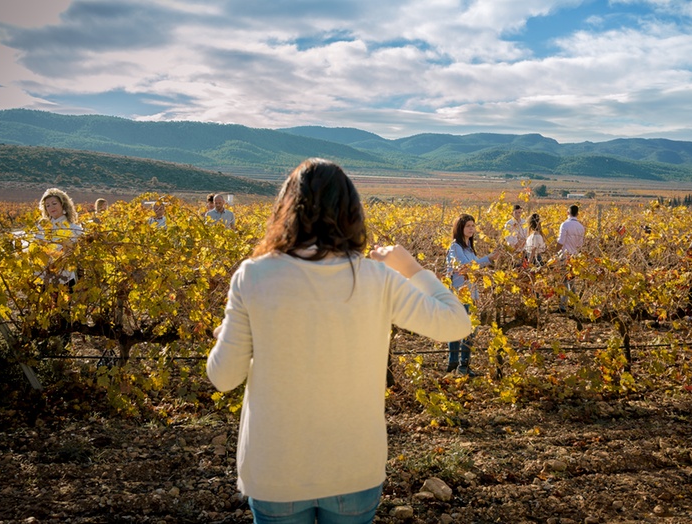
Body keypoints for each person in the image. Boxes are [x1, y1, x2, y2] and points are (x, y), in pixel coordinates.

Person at [206, 158, 471, 524]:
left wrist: (227, 336)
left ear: (286, 209)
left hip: (275, 470)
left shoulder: (254, 276)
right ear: (352, 212)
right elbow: (456, 323)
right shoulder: (377, 278)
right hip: (353, 467)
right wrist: (410, 266)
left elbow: (223, 377)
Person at [445, 213, 501, 375]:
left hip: (470, 293)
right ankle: (459, 365)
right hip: (458, 294)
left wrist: (490, 260)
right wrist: (487, 258)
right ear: (460, 228)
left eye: (473, 226)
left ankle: (458, 365)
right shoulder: (455, 247)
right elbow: (465, 267)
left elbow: (474, 270)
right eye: (468, 226)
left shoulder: (469, 248)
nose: (471, 229)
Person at [35, 187, 84, 286]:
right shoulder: (41, 228)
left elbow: (77, 257)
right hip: (44, 279)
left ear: (63, 204)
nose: (51, 207)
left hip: (66, 280)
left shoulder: (75, 230)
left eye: (54, 203)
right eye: (47, 205)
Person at [551, 204, 586, 312]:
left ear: (568, 213)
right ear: (577, 214)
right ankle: (575, 303)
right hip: (574, 257)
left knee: (564, 282)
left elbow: (560, 242)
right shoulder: (581, 227)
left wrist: (554, 254)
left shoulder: (565, 225)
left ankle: (563, 306)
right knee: (572, 281)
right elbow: (580, 245)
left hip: (564, 257)